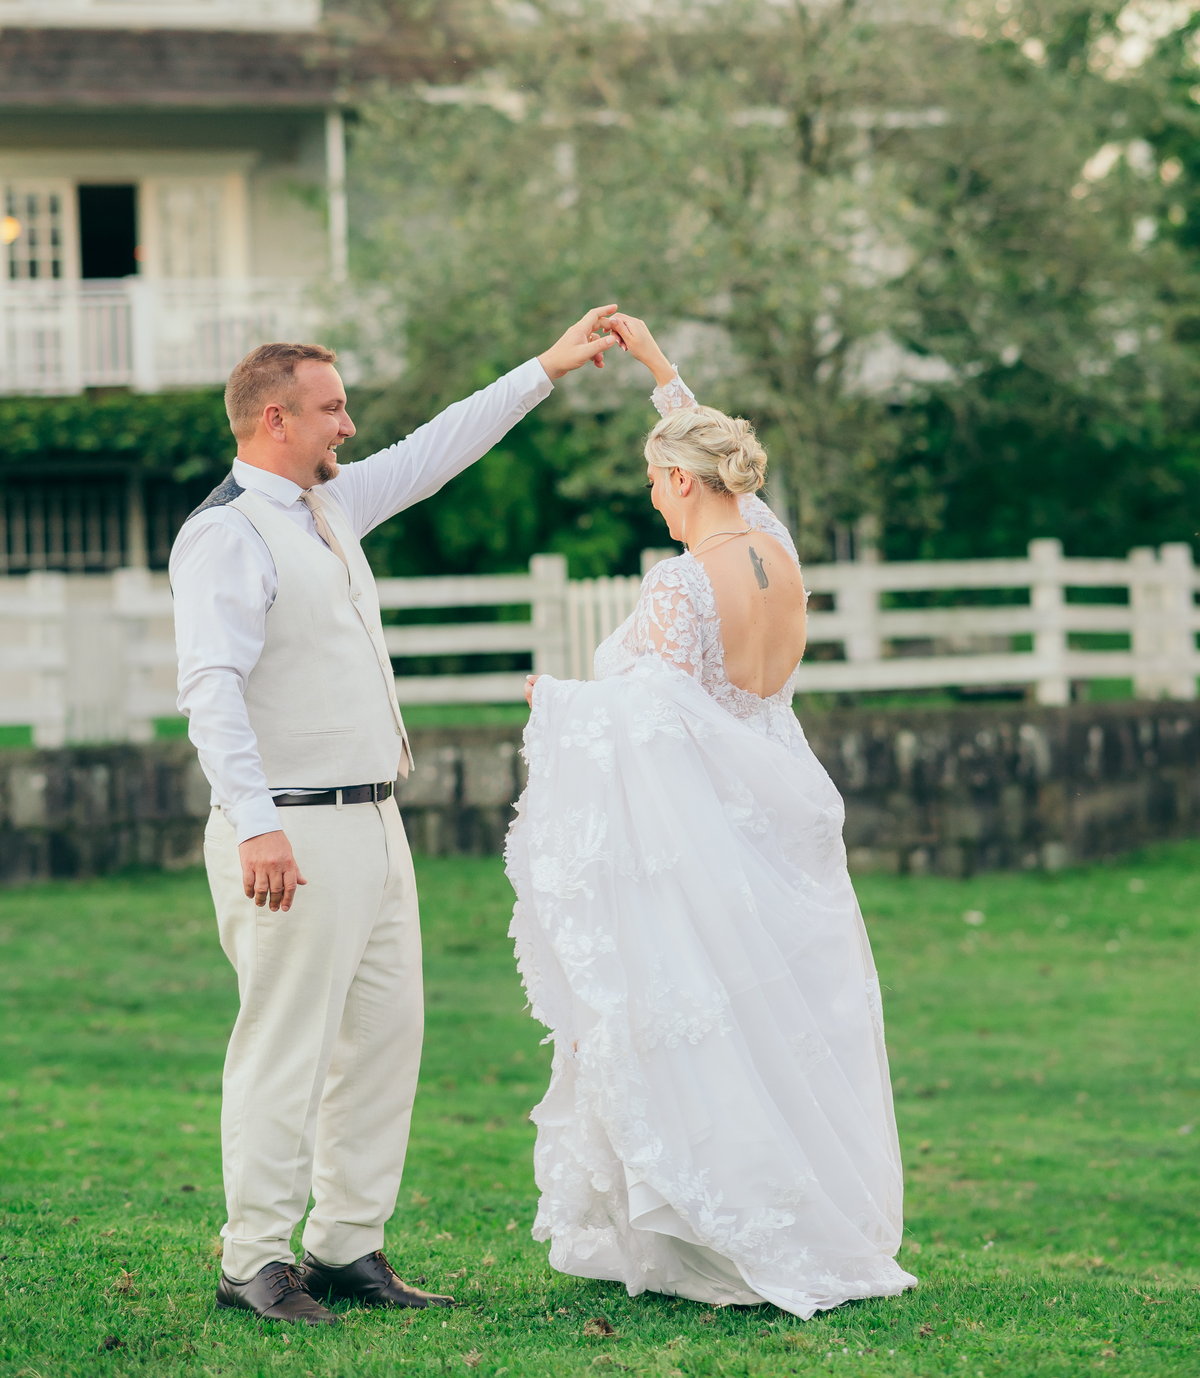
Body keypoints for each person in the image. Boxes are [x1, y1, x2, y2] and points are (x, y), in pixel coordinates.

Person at [170, 307, 619, 1326]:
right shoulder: (225, 535)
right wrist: (256, 823)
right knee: (285, 1046)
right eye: (332, 409)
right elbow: (210, 689)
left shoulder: (328, 506)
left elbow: (436, 448)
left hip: (374, 821)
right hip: (289, 829)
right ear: (275, 418)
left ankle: (344, 1246)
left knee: (383, 1039)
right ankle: (253, 1259)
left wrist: (546, 367)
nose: (349, 424)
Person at [506, 314, 916, 1319]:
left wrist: (557, 703)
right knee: (790, 1026)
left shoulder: (681, 584)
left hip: (709, 829)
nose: (653, 497)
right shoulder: (777, 550)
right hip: (786, 808)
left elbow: (652, 716)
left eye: (656, 480)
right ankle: (809, 1212)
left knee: (719, 1025)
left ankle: (730, 1227)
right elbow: (716, 460)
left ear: (683, 483)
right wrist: (659, 371)